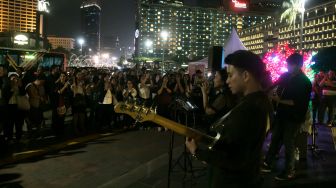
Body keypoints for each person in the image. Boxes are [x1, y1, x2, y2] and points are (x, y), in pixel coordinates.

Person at [186, 50, 272, 187]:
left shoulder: (249, 109)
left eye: (231, 75)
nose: (227, 80)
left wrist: (197, 152)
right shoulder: (258, 101)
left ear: (245, 76)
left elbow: (234, 158)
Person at [263, 53, 312, 180]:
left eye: (291, 65)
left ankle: (289, 170)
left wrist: (278, 100)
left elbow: (297, 103)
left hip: (294, 117)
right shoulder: (286, 76)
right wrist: (267, 90)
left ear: (299, 65)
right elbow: (274, 85)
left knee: (288, 142)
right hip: (282, 114)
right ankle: (268, 163)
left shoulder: (304, 82)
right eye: (288, 64)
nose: (289, 67)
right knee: (275, 139)